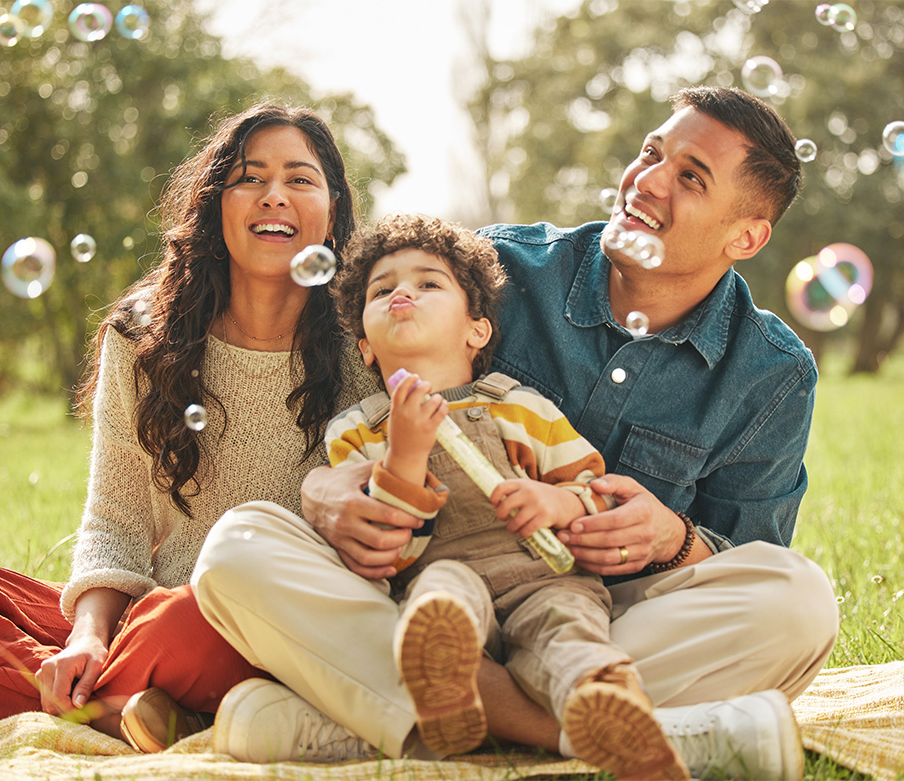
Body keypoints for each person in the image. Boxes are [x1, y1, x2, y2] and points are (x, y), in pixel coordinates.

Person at [192, 86, 839, 779]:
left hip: (602, 617)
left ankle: (374, 720)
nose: (646, 181)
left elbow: (745, 551)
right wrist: (325, 492)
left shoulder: (771, 372)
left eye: (690, 176)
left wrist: (672, 539)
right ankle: (598, 733)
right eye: (653, 153)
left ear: (744, 235)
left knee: (799, 599)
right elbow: (366, 395)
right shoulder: (498, 269)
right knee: (236, 549)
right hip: (427, 596)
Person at [0, 102, 380, 747]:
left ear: (333, 212)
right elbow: (116, 521)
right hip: (144, 622)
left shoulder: (369, 347)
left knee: (189, 619)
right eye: (250, 177)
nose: (274, 194)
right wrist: (87, 638)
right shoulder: (145, 337)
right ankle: (125, 699)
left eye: (300, 179)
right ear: (216, 203)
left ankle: (89, 701)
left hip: (263, 631)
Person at [318, 213, 686, 778]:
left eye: (428, 283)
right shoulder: (357, 431)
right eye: (383, 289)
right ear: (365, 346)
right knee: (439, 600)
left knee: (567, 628)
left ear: (477, 329)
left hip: (544, 575)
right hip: (440, 575)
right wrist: (405, 456)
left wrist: (558, 503)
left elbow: (595, 488)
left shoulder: (520, 406)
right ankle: (445, 680)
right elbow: (387, 550)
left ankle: (608, 704)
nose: (402, 295)